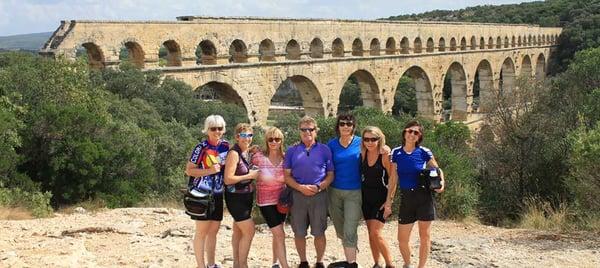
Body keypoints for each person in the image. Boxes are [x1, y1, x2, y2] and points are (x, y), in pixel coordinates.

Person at [390, 120, 445, 268]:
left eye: (416, 132)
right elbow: (393, 178)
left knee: (425, 236)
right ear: (404, 133)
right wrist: (389, 201)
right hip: (407, 197)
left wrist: (441, 184)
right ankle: (407, 263)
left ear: (419, 136)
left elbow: (438, 170)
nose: (412, 134)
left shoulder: (424, 152)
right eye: (410, 131)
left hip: (423, 196)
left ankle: (421, 266)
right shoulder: (396, 152)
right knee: (402, 239)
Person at [284, 115, 334, 268]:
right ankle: (303, 261)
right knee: (299, 232)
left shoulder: (325, 150)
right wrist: (300, 188)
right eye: (304, 129)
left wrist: (319, 187)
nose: (307, 132)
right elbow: (286, 175)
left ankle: (319, 262)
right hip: (298, 195)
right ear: (299, 132)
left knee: (319, 231)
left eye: (310, 129)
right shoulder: (292, 150)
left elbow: (330, 174)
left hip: (318, 195)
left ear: (316, 131)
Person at [185, 115, 230, 268]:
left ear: (223, 130)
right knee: (202, 231)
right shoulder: (201, 148)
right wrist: (209, 171)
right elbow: (189, 170)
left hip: (218, 194)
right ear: (207, 130)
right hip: (202, 195)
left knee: (214, 231)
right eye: (213, 128)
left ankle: (211, 264)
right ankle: (200, 265)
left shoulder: (226, 146)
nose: (217, 131)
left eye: (220, 128)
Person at [326, 113, 362, 268]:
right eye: (342, 124)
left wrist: (385, 147)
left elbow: (377, 145)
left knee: (349, 228)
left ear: (353, 126)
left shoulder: (361, 142)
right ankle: (350, 256)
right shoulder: (332, 144)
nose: (345, 127)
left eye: (349, 124)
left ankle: (352, 264)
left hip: (354, 192)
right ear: (338, 126)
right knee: (340, 228)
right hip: (334, 191)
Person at [251, 127, 289, 268]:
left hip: (281, 201)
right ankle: (285, 265)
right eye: (270, 139)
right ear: (266, 141)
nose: (274, 142)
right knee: (279, 234)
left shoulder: (286, 158)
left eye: (277, 139)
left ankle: (275, 262)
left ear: (281, 141)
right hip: (265, 201)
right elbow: (245, 163)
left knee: (278, 232)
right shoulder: (258, 157)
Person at [224, 123, 259, 268]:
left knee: (238, 231)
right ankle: (243, 265)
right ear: (237, 137)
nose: (247, 138)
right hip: (236, 198)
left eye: (250, 135)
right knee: (249, 230)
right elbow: (228, 179)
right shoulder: (234, 154)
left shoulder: (246, 152)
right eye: (244, 135)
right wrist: (250, 175)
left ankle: (237, 264)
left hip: (246, 197)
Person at [360, 126, 396, 268]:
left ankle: (390, 264)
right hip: (366, 198)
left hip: (380, 199)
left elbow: (393, 178)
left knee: (376, 233)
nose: (370, 142)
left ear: (379, 139)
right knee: (371, 233)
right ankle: (376, 263)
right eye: (366, 139)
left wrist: (389, 202)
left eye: (373, 139)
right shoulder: (362, 153)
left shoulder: (385, 155)